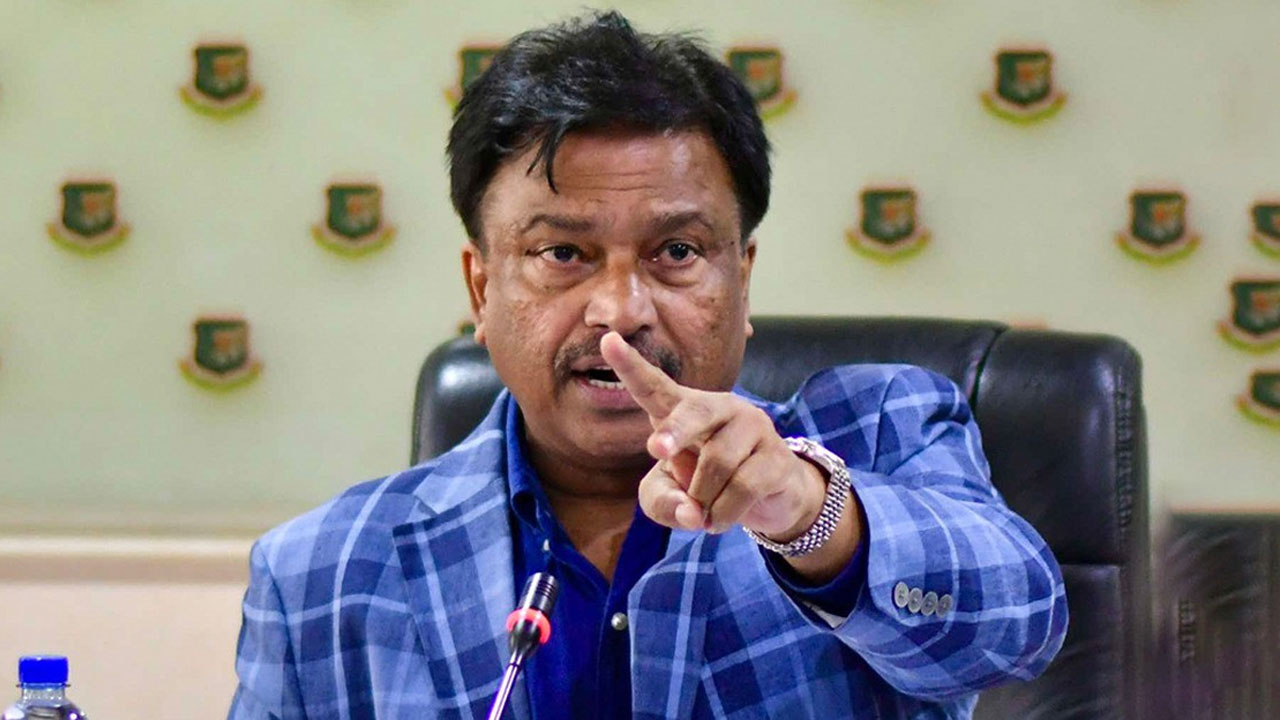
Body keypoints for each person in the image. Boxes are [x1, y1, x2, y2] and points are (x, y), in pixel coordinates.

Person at [228, 11, 1066, 720]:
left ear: (742, 280)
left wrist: (806, 514)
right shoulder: (322, 578)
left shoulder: (879, 431)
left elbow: (1020, 624)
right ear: (481, 290)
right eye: (563, 253)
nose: (621, 309)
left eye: (676, 251)